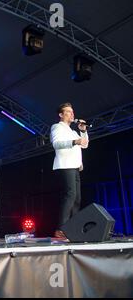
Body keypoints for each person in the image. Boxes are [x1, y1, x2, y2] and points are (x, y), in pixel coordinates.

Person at [50, 102, 89, 238]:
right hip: (65, 165)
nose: (72, 114)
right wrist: (74, 142)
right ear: (61, 115)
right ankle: (61, 229)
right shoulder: (57, 127)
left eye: (72, 112)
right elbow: (56, 144)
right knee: (70, 195)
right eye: (68, 112)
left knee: (77, 198)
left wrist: (83, 131)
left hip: (75, 166)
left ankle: (73, 227)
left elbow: (84, 145)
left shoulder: (73, 131)